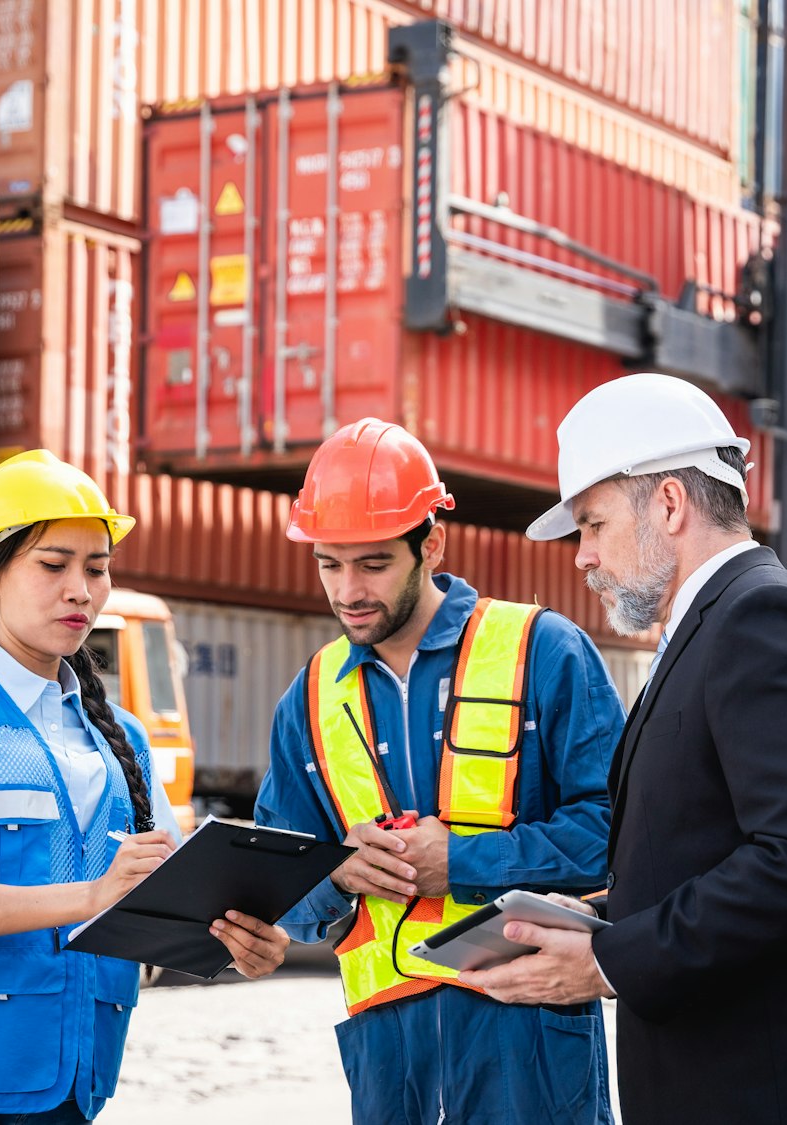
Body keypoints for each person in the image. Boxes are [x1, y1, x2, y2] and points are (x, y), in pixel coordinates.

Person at [463, 374, 787, 1125]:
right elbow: (713, 848)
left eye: (593, 524)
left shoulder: (767, 618)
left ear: (668, 503)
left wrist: (610, 961)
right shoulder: (711, 630)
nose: (583, 557)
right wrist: (602, 917)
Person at [0, 450, 289, 1123]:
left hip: (66, 1088)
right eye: (53, 564)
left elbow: (167, 902)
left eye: (97, 568)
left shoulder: (120, 735)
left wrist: (239, 940)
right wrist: (94, 894)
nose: (82, 589)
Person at [255, 418, 623, 1124]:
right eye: (330, 563)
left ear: (432, 544)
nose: (348, 590)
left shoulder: (543, 652)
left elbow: (619, 837)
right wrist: (335, 873)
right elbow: (282, 890)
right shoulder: (307, 701)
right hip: (391, 1065)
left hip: (531, 1047)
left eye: (373, 563)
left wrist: (460, 860)